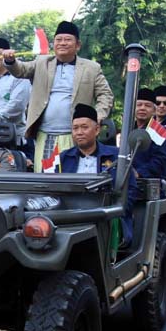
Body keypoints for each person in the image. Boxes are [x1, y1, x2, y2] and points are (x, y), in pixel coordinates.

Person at [2, 21, 115, 172]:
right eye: (58, 39)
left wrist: (96, 118)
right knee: (45, 177)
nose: (62, 43)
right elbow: (20, 70)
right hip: (44, 134)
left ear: (78, 45)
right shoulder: (42, 62)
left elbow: (106, 95)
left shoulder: (91, 68)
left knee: (70, 176)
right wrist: (10, 61)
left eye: (67, 40)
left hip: (74, 134)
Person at [59, 104, 138, 245]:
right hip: (68, 220)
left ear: (97, 130)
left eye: (84, 127)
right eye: (75, 128)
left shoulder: (117, 156)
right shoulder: (62, 158)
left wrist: (113, 212)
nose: (79, 132)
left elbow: (130, 193)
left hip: (107, 218)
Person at [133, 88, 166, 179]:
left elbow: (159, 161)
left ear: (154, 110)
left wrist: (139, 173)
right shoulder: (126, 130)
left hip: (146, 182)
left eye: (147, 105)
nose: (142, 108)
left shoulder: (160, 133)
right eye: (139, 105)